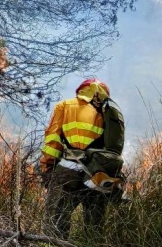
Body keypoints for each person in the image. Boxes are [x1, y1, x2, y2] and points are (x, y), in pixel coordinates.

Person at [40, 79, 125, 238]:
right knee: (94, 226)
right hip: (97, 173)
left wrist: (48, 169)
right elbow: (114, 148)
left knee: (55, 221)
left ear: (81, 91)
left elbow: (53, 143)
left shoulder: (65, 106)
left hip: (68, 169)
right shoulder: (109, 111)